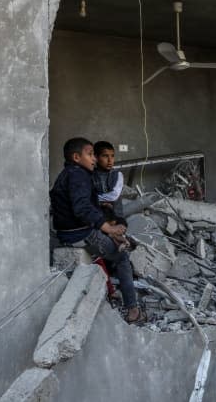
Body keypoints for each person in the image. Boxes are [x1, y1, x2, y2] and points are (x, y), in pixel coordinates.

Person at [50, 137, 145, 323]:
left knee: (111, 245)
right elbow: (82, 208)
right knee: (122, 257)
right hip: (80, 233)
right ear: (76, 157)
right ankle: (133, 309)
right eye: (90, 154)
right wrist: (109, 229)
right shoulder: (79, 176)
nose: (94, 159)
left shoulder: (67, 173)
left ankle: (110, 293)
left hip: (67, 232)